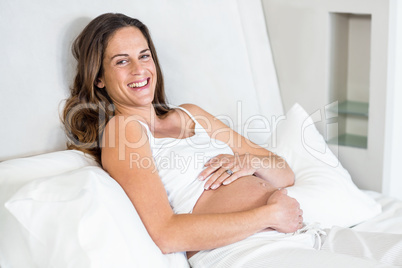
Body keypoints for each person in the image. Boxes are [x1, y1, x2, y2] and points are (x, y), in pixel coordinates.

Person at [63, 13, 402, 267]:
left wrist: (251, 162)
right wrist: (267, 217)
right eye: (122, 61)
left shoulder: (191, 114)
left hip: (300, 231)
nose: (139, 69)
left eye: (144, 55)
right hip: (246, 250)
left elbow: (285, 173)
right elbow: (166, 234)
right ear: (100, 79)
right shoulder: (122, 130)